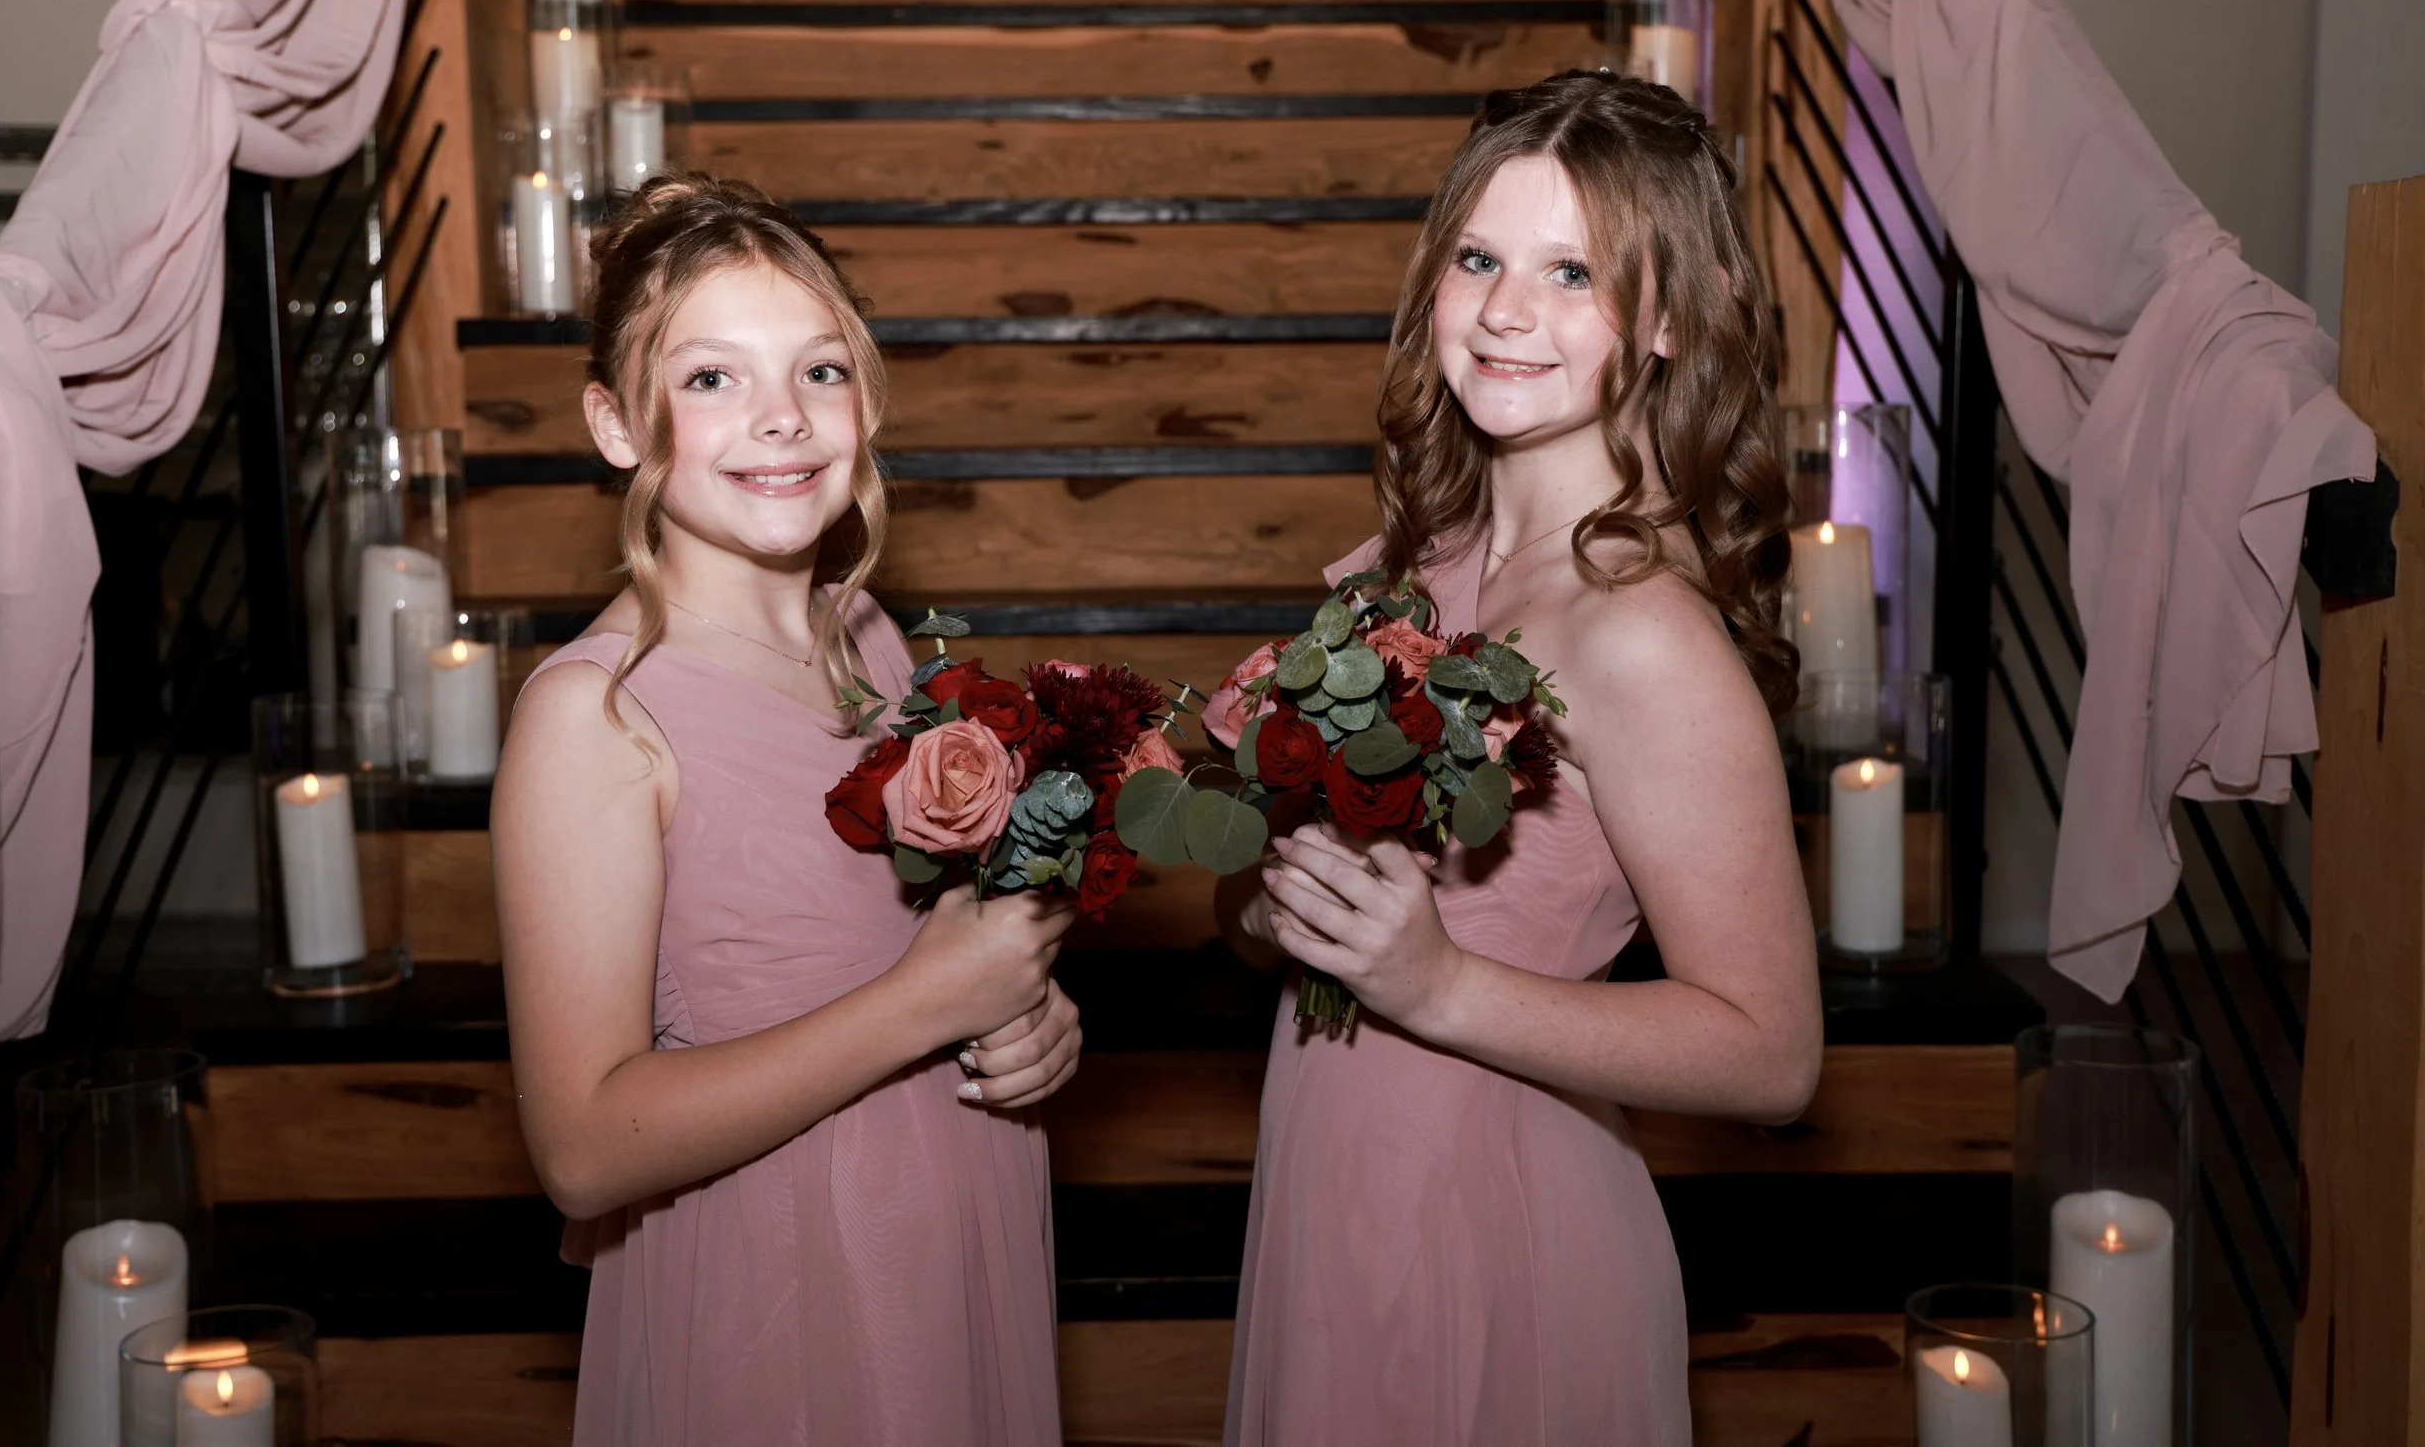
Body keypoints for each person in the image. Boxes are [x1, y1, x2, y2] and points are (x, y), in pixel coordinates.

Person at [1216, 70, 1823, 1444]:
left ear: (1665, 319)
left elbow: (1772, 1053)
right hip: (1334, 1183)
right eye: (1482, 259)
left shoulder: (1642, 636)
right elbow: (1277, 920)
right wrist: (1272, 899)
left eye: (1573, 274)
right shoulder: (1407, 571)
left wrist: (1436, 981)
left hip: (1499, 1215)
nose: (1504, 310)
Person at [492, 173, 1081, 1445]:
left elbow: (916, 940)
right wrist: (930, 1000)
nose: (783, 420)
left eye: (820, 371)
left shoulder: (868, 637)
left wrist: (1024, 1019)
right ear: (613, 422)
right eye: (710, 379)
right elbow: (583, 1148)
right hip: (781, 1283)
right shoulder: (596, 721)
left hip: (954, 1234)